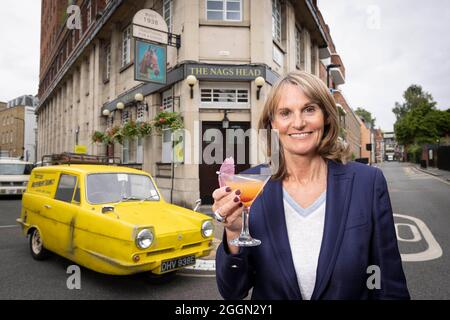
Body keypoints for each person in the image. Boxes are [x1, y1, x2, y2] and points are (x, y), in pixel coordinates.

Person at [212, 71, 410, 300]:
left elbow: (388, 283)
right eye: (285, 113)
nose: (298, 123)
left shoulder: (367, 183)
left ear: (326, 115)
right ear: (272, 123)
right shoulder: (248, 185)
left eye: (309, 109)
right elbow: (233, 292)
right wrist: (234, 232)